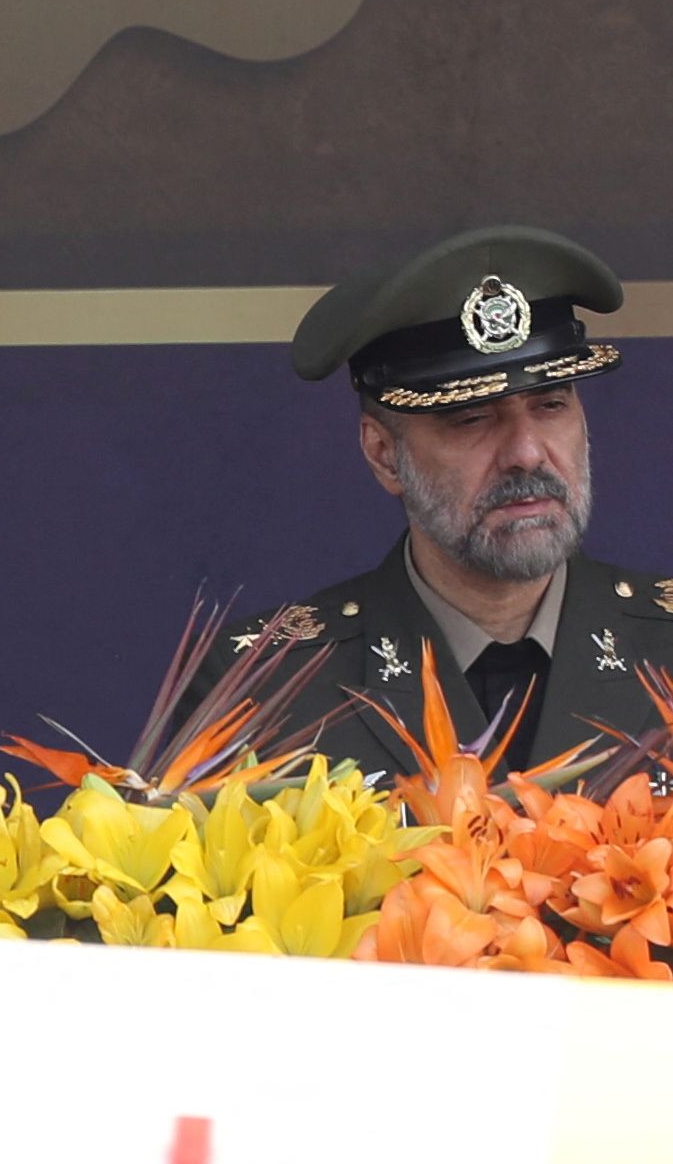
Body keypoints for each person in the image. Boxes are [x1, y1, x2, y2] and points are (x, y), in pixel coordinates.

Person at [218, 225, 673, 775]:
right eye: (472, 418)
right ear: (385, 455)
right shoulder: (267, 689)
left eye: (550, 405)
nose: (527, 454)